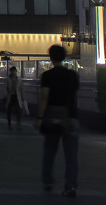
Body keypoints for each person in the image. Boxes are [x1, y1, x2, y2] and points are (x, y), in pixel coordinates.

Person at [35, 44, 79, 197]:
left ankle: (47, 181)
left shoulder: (47, 76)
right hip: (70, 117)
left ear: (50, 57)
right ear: (64, 57)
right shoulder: (72, 75)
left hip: (52, 118)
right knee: (71, 155)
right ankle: (71, 186)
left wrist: (40, 118)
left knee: (49, 151)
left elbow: (44, 97)